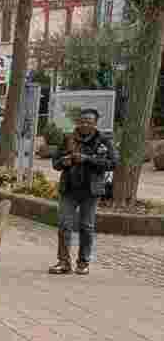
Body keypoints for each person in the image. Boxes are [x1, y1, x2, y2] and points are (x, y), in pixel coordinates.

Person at [51, 107, 114, 275]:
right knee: (64, 224)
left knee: (86, 226)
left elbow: (112, 163)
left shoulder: (103, 140)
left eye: (89, 122)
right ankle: (63, 262)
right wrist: (63, 162)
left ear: (95, 123)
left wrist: (88, 159)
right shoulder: (68, 139)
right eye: (82, 121)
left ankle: (83, 262)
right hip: (69, 189)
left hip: (91, 190)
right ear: (77, 122)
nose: (85, 124)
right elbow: (55, 163)